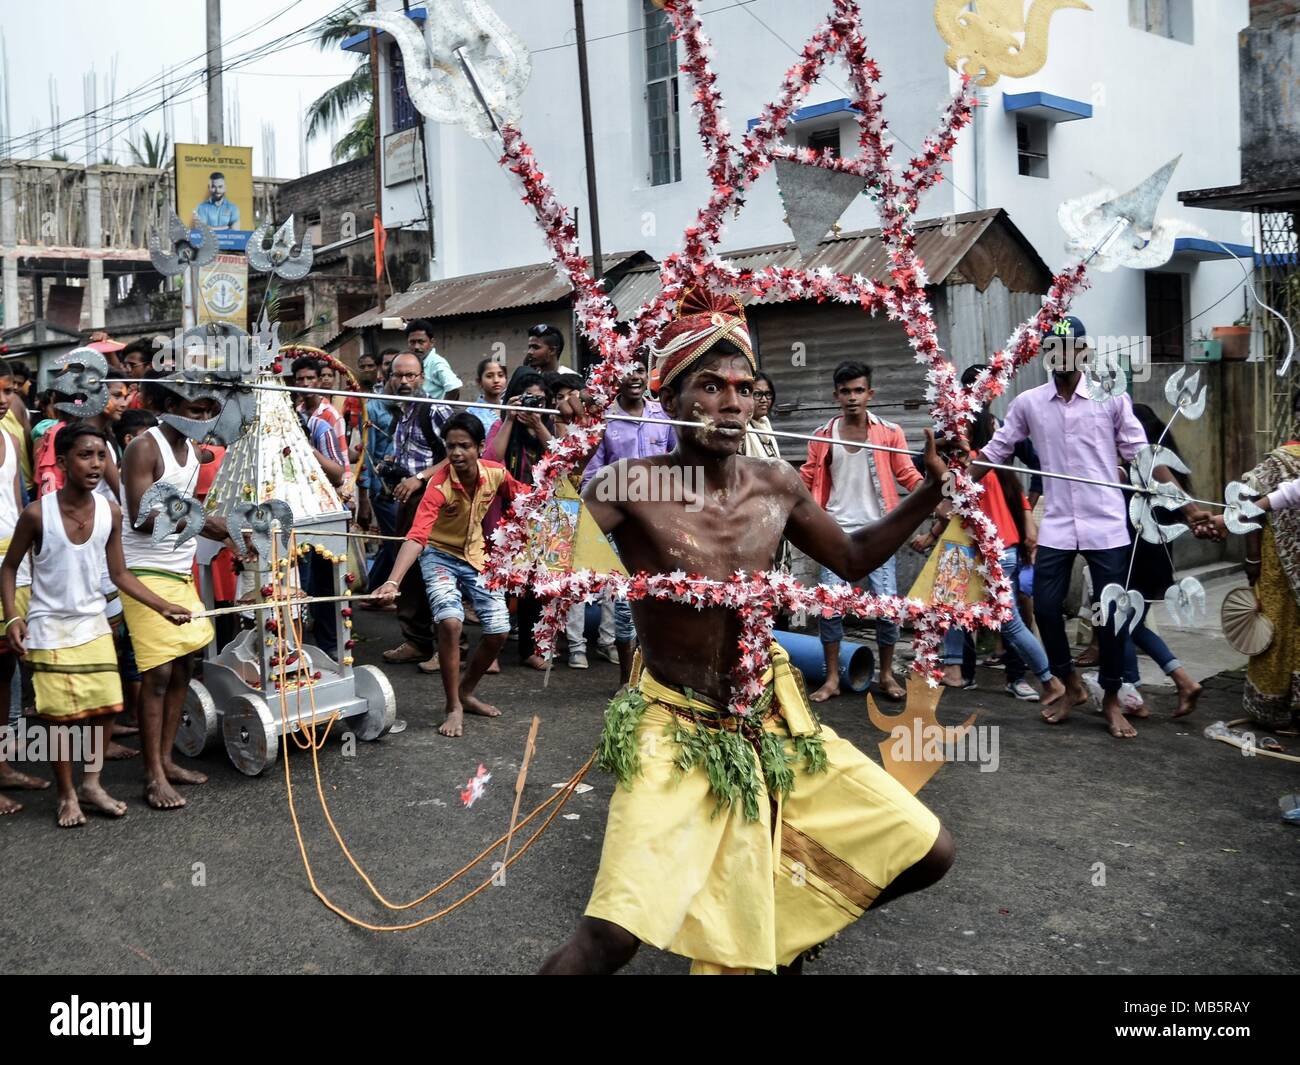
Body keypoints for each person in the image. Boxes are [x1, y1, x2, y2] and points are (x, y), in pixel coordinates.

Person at [540, 290, 954, 975]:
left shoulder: (778, 483)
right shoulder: (627, 484)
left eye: (743, 388)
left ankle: (789, 923)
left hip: (772, 718)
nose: (730, 402)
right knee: (611, 936)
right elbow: (543, 553)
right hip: (672, 724)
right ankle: (771, 931)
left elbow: (851, 559)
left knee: (927, 847)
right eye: (709, 385)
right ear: (669, 399)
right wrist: (559, 466)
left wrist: (933, 490)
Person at [975, 317, 1213, 738]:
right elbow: (994, 453)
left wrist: (1186, 505)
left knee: (1112, 619)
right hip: (1059, 526)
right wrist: (953, 475)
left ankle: (1110, 698)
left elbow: (1144, 456)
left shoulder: (1112, 398)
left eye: (1071, 347)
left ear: (1084, 352)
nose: (1062, 355)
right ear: (1045, 354)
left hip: (1106, 525)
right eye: (1053, 347)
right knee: (1046, 608)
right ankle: (1070, 685)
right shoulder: (1028, 403)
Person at [2, 424, 194, 827]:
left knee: (107, 707)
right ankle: (67, 794)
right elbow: (9, 568)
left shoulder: (111, 511)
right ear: (63, 460)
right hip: (49, 625)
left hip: (93, 621)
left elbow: (120, 574)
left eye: (101, 456)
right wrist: (13, 617)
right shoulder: (38, 513)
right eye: (85, 455)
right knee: (60, 716)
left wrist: (162, 606)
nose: (95, 464)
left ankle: (91, 783)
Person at [122, 373, 242, 810]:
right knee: (155, 674)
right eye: (195, 410)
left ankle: (166, 760)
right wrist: (206, 522)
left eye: (207, 411)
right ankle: (153, 775)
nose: (203, 418)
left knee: (182, 669)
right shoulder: (144, 447)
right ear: (169, 406)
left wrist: (229, 530)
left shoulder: (192, 450)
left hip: (179, 568)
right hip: (143, 570)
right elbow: (141, 516)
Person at [374, 414, 522, 737]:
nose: (456, 453)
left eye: (464, 446)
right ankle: (452, 705)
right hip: (438, 555)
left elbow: (525, 498)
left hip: (476, 554)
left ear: (481, 447)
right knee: (451, 622)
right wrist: (392, 580)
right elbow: (416, 537)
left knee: (499, 630)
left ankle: (467, 693)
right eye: (451, 446)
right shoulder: (438, 485)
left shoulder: (495, 474)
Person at [914, 405, 1064, 704]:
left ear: (971, 430)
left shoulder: (971, 466)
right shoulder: (992, 463)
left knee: (1009, 622)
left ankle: (1050, 680)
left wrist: (936, 450)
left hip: (992, 555)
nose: (952, 432)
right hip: (985, 551)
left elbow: (944, 504)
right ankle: (955, 669)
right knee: (951, 604)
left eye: (959, 427)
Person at [800, 360, 923, 703]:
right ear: (836, 395)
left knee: (887, 607)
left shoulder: (889, 433)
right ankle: (832, 679)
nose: (852, 397)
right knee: (830, 608)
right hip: (835, 534)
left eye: (858, 390)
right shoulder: (822, 436)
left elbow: (908, 475)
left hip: (878, 535)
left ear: (870, 393)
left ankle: (886, 676)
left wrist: (935, 492)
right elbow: (806, 480)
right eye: (845, 391)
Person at [577, 351, 675, 681]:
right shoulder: (606, 421)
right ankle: (625, 680)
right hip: (622, 526)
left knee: (664, 596)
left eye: (639, 369)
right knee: (623, 603)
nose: (633, 376)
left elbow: (682, 465)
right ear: (614, 376)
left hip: (661, 523)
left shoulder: (664, 415)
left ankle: (660, 677)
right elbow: (592, 476)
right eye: (625, 370)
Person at [1232, 392, 1300, 731]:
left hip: (1283, 564)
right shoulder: (1281, 460)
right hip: (1280, 569)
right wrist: (1252, 556)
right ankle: (1273, 707)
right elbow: (1246, 496)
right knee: (1275, 630)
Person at [379, 353, 451, 671]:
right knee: (408, 574)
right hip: (407, 499)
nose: (405, 382)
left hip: (433, 499)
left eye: (411, 376)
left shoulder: (434, 409)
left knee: (436, 572)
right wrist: (391, 469)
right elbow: (407, 456)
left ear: (422, 377)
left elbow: (459, 454)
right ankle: (417, 642)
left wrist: (419, 478)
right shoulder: (403, 413)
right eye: (399, 376)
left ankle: (448, 648)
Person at [0, 367, 48, 815]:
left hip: (11, 569)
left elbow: (17, 505)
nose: (5, 398)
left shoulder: (12, 441)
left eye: (10, 391)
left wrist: (28, 560)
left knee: (7, 666)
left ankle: (4, 766)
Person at [488, 372, 555, 670]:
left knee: (532, 587)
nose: (533, 405)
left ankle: (529, 650)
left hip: (540, 518)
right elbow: (491, 459)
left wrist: (539, 424)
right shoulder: (502, 426)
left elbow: (562, 458)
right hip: (505, 515)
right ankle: (490, 653)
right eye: (528, 399)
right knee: (498, 584)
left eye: (539, 401)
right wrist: (511, 419)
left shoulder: (549, 427)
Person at [509, 323, 581, 394]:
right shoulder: (529, 379)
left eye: (535, 347)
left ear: (552, 350)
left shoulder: (573, 381)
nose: (529, 352)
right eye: (529, 347)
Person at [404, 319, 462, 401]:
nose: (416, 347)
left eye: (421, 342)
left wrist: (443, 409)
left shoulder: (436, 363)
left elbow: (454, 387)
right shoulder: (412, 362)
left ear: (432, 342)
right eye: (412, 342)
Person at [467, 357, 508, 436]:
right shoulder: (472, 413)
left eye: (500, 375)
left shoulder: (509, 407)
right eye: (489, 376)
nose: (496, 380)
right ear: (479, 382)